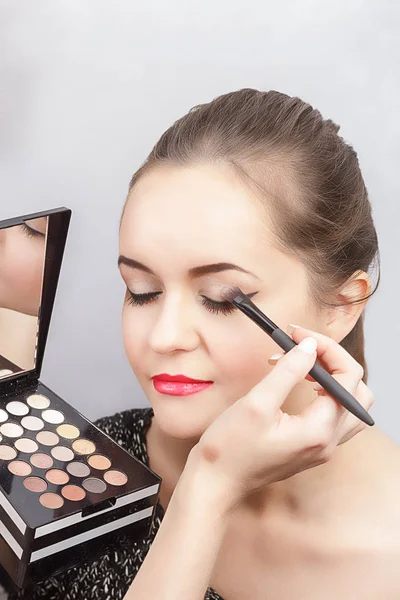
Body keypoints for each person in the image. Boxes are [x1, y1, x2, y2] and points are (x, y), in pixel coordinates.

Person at [5, 88, 399, 600]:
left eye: (221, 299)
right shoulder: (75, 472)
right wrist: (209, 487)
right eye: (140, 292)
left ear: (344, 304)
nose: (165, 337)